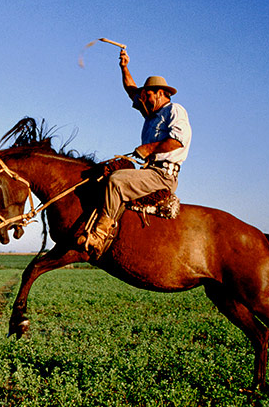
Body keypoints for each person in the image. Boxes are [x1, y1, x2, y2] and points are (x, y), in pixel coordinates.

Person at [78, 48, 191, 259]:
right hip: (150, 172)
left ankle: (101, 234)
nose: (143, 98)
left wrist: (148, 148)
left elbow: (177, 141)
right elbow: (131, 90)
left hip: (163, 176)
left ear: (160, 93)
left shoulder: (175, 110)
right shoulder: (151, 114)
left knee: (117, 181)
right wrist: (124, 67)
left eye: (147, 94)